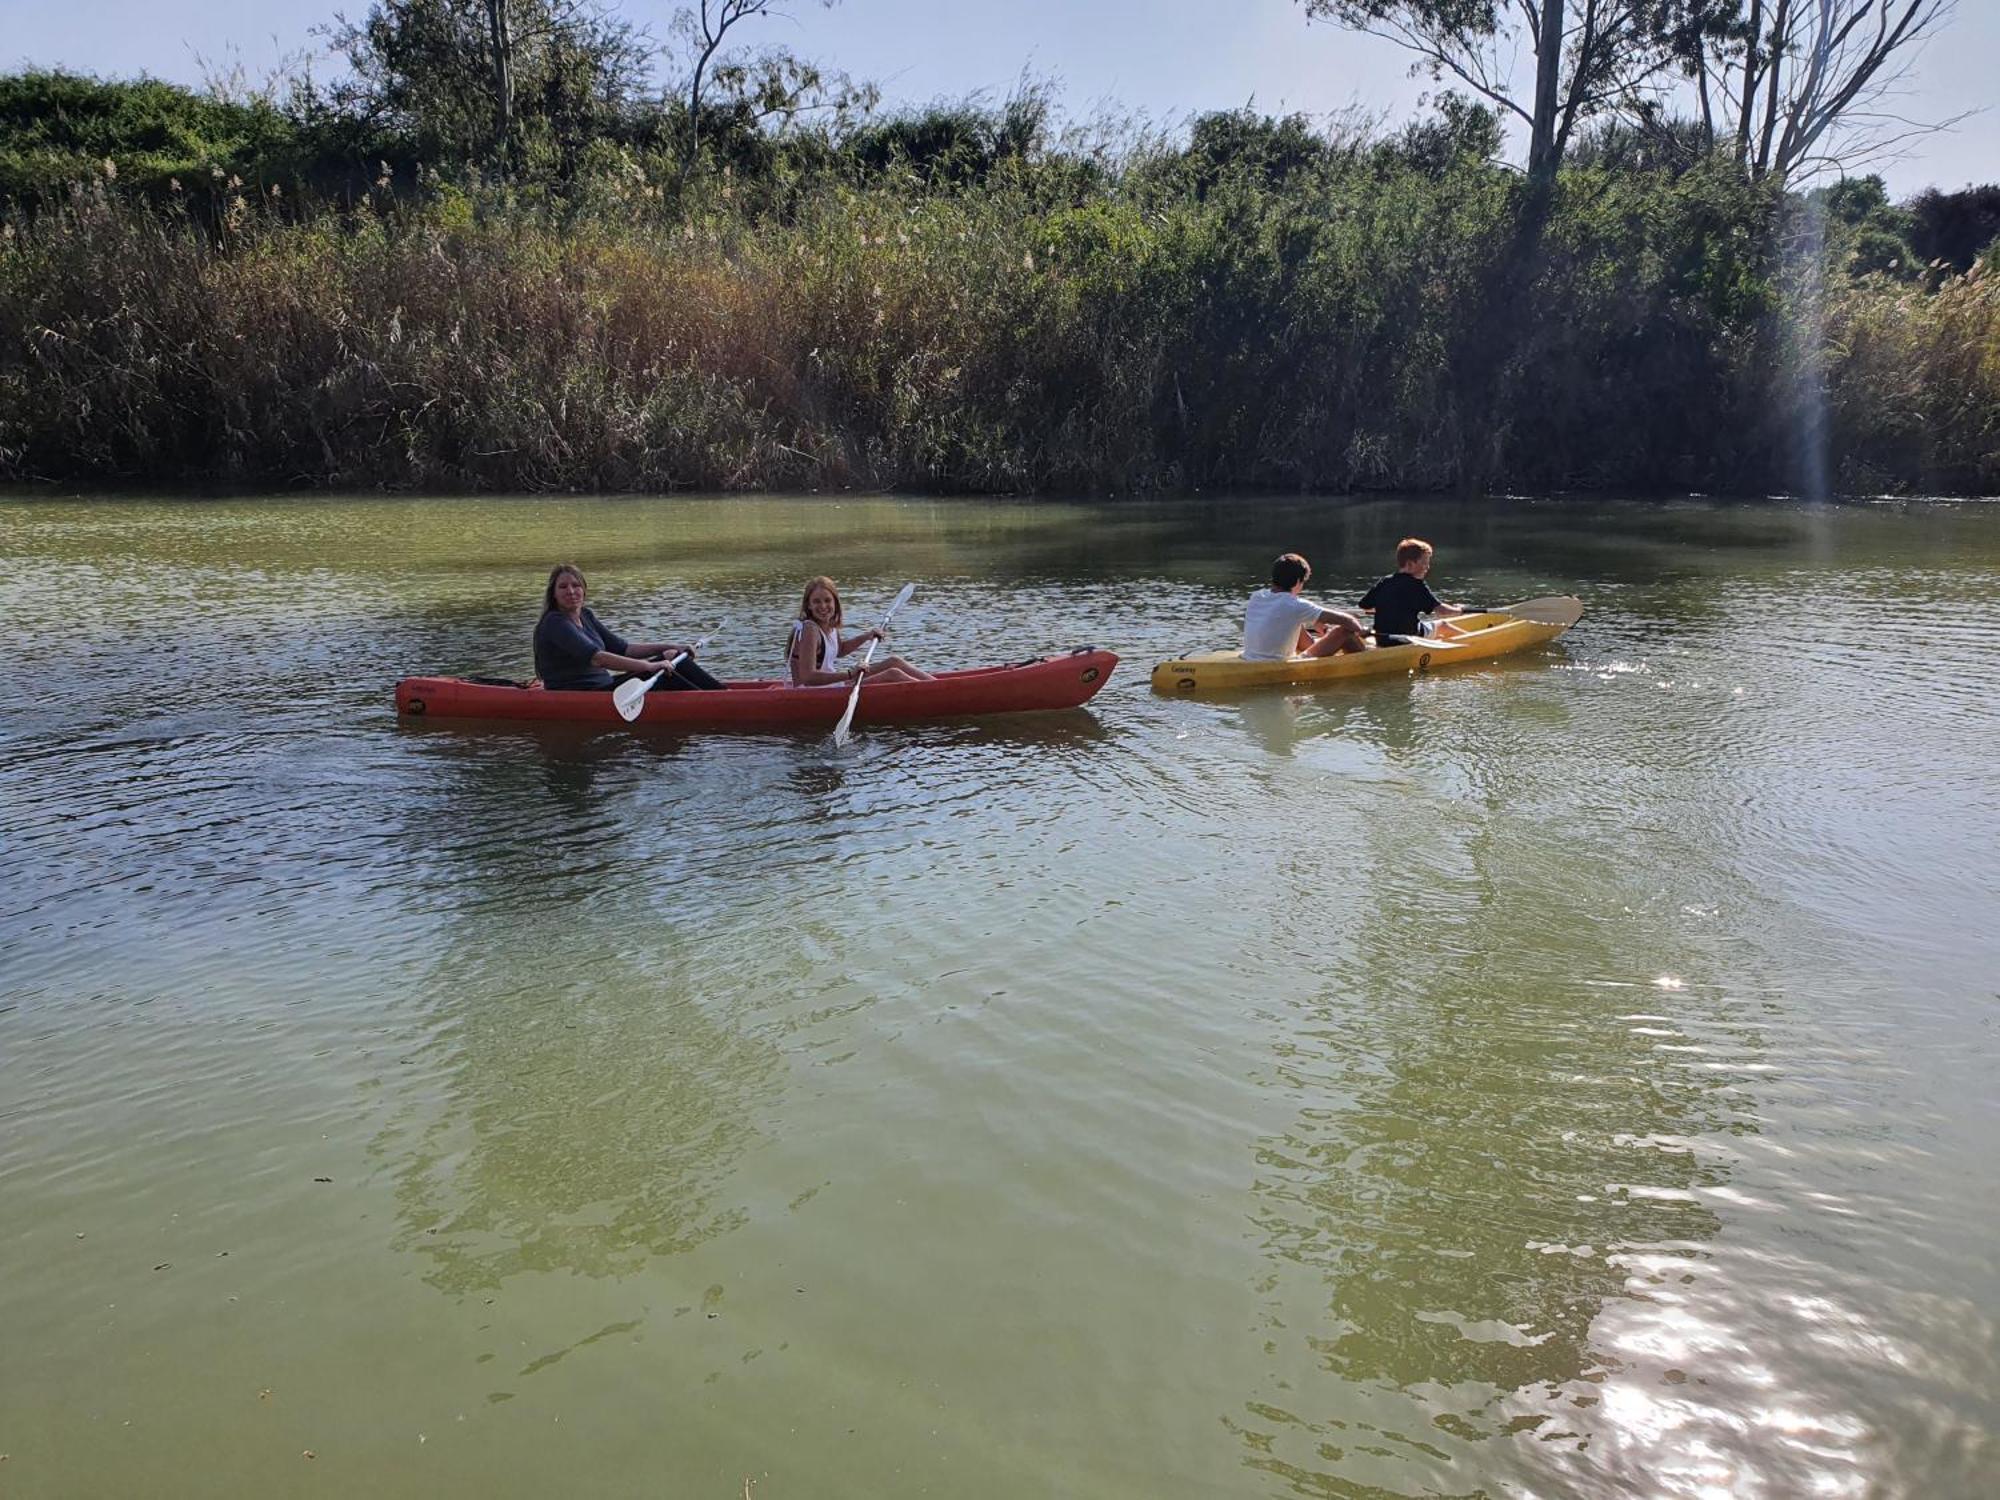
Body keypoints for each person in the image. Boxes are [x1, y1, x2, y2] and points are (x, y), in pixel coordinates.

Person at [533, 563, 725, 692]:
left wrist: (673, 646)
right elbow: (599, 659)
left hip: (607, 687)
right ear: (554, 594)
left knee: (672, 657)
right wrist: (650, 666)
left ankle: (721, 695)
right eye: (563, 587)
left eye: (576, 585)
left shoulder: (586, 615)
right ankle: (722, 700)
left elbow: (625, 649)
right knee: (667, 669)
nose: (571, 591)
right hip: (585, 694)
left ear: (584, 589)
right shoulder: (554, 623)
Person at [785, 576, 934, 687]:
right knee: (893, 674)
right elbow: (808, 677)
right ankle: (938, 693)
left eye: (827, 600)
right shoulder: (810, 630)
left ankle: (942, 686)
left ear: (835, 602)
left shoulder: (828, 624)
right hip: (812, 691)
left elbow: (840, 650)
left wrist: (867, 636)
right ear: (808, 605)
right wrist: (850, 674)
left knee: (894, 662)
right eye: (816, 601)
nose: (823, 606)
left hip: (831, 686)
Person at [1242, 553, 1370, 661]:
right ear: (1298, 581)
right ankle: (1368, 663)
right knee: (1344, 631)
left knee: (1295, 624)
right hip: (1277, 664)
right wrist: (1360, 630)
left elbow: (1285, 617)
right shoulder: (1295, 605)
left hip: (1249, 658)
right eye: (1303, 582)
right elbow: (1348, 620)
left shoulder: (1257, 596)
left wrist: (1321, 627)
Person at [1358, 537, 1470, 644]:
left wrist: (1387, 607)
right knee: (1443, 625)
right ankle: (1475, 642)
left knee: (1430, 629)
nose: (1427, 567)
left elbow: (1364, 605)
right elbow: (1442, 611)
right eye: (1424, 563)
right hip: (1408, 638)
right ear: (1410, 564)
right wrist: (1459, 610)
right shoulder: (1417, 586)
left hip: (1382, 639)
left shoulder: (1384, 582)